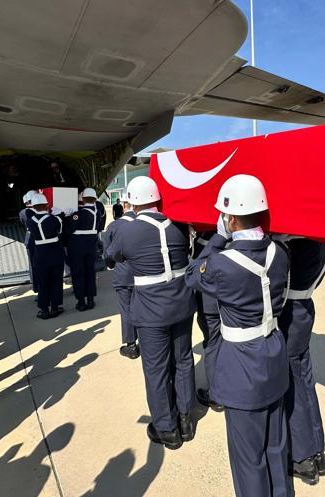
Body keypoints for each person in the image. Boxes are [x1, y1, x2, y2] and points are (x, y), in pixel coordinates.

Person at [186, 175, 291, 497]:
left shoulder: (221, 263)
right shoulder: (281, 252)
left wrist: (217, 240)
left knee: (249, 460)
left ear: (229, 218)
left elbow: (192, 276)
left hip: (242, 364)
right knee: (276, 447)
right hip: (273, 354)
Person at [110, 176, 196, 450]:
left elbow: (112, 256)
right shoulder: (179, 225)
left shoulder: (128, 231)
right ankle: (186, 419)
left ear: (132, 203)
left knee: (156, 369)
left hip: (150, 311)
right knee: (183, 360)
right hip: (182, 303)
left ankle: (166, 428)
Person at [277, 237, 325, 485]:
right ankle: (315, 449)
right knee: (305, 380)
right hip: (304, 307)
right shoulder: (320, 246)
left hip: (289, 312)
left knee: (294, 385)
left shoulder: (292, 247)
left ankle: (302, 457)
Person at [102, 195, 139, 358]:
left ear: (124, 205)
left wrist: (111, 265)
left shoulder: (115, 225)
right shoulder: (147, 224)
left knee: (126, 309)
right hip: (145, 273)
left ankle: (131, 345)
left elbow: (108, 253)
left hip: (124, 274)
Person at [192, 229, 224, 413]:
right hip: (233, 301)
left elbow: (195, 269)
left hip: (209, 301)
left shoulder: (205, 238)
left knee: (212, 343)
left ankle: (216, 394)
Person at [25, 193, 65, 320]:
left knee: (43, 282)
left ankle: (43, 309)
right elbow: (60, 232)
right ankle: (55, 307)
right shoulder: (55, 219)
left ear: (34, 207)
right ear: (46, 205)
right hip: (55, 251)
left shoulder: (30, 221)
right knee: (56, 281)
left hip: (40, 254)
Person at [64, 188, 104, 311]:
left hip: (77, 247)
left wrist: (66, 217)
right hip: (91, 247)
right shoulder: (97, 213)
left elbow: (68, 230)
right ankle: (91, 300)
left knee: (78, 274)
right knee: (90, 273)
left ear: (83, 198)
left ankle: (81, 302)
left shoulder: (78, 214)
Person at [19, 190, 38, 295]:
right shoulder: (42, 210)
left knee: (33, 265)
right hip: (39, 241)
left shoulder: (23, 213)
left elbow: (23, 222)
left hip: (31, 240)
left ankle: (36, 287)